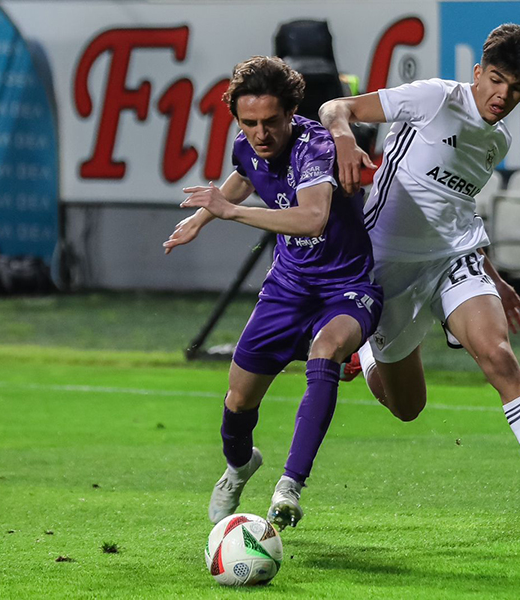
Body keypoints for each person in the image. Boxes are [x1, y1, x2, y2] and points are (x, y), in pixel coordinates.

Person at [319, 24, 520, 534]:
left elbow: (457, 209)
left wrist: (495, 277)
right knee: (408, 408)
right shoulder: (435, 99)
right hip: (388, 268)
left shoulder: (498, 139)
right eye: (496, 80)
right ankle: (367, 354)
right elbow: (335, 107)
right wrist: (343, 138)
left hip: (454, 261)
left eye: (516, 88)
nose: (502, 96)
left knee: (499, 356)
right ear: (478, 72)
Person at [163, 56, 383, 530]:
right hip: (287, 288)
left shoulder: (315, 147)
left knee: (326, 350)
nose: (260, 134)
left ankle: (289, 487)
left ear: (290, 113)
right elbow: (244, 176)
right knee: (238, 401)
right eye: (249, 123)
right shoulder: (247, 145)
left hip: (346, 285)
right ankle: (240, 466)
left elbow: (313, 218)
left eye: (270, 122)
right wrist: (200, 218)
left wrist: (228, 213)